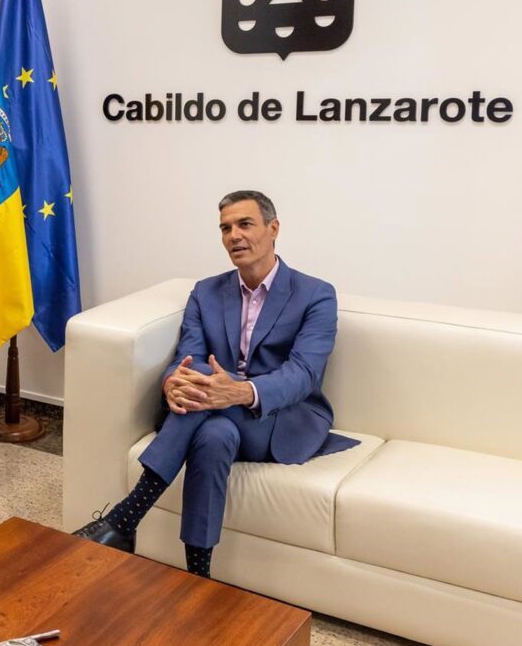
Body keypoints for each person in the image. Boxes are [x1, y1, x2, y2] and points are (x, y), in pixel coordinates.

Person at [72, 190, 357, 578]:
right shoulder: (206, 292)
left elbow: (303, 374)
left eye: (245, 224)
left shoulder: (315, 294)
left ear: (273, 229)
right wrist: (173, 382)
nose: (234, 236)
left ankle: (126, 517)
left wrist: (241, 391)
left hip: (277, 419)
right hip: (214, 416)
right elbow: (186, 358)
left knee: (208, 386)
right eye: (225, 228)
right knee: (215, 435)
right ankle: (198, 577)